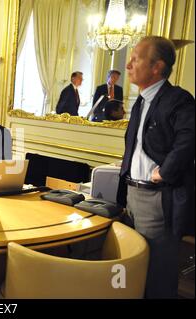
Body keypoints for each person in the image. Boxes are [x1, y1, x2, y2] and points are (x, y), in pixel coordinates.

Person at [117, 36, 195, 298]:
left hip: (156, 198)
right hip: (132, 195)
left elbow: (189, 140)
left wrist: (164, 171)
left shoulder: (178, 99)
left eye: (136, 58)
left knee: (157, 273)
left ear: (157, 67)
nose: (128, 64)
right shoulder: (141, 100)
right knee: (133, 267)